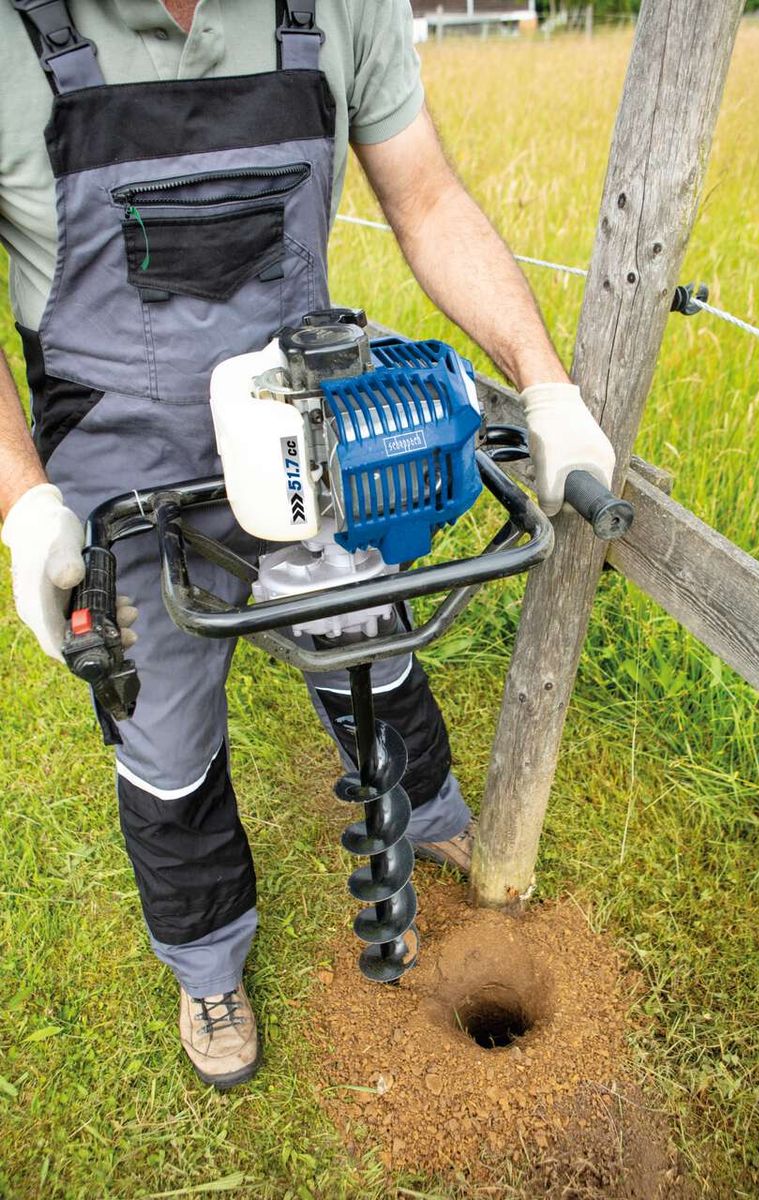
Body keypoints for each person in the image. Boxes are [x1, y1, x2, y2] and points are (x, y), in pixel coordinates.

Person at [0, 0, 614, 1090]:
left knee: (366, 636)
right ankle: (207, 963)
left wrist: (544, 380)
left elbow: (423, 197)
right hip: (119, 456)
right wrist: (24, 503)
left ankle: (421, 814)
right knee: (165, 736)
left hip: (305, 425)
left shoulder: (337, 6)